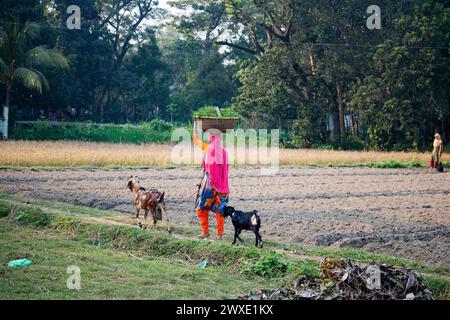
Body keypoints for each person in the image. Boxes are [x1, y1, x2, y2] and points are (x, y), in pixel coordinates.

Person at [193, 123, 229, 240]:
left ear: (212, 138)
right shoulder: (224, 152)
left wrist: (195, 130)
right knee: (220, 211)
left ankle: (205, 231)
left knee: (201, 208)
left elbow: (212, 167)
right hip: (223, 187)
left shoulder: (209, 149)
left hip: (210, 186)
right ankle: (220, 234)